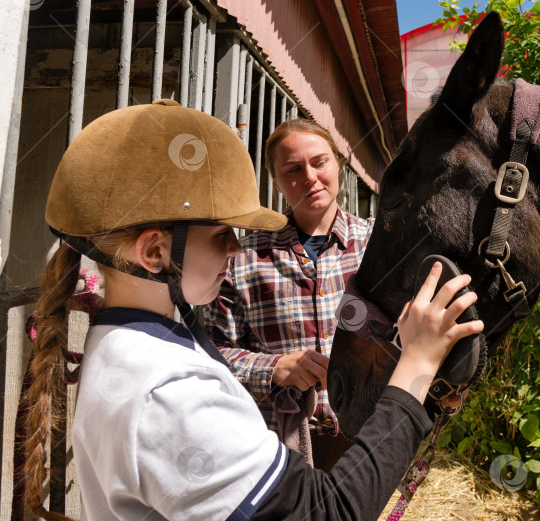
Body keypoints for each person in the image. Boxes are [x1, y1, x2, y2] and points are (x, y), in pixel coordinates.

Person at [24, 100, 483, 521]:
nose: (234, 248)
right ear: (155, 252)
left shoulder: (128, 345)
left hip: (343, 434)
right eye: (223, 232)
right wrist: (419, 367)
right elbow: (330, 515)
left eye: (320, 162)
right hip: (287, 439)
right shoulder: (170, 394)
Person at [204, 118, 371, 471]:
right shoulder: (243, 260)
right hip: (275, 446)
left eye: (319, 162)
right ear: (277, 181)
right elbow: (210, 355)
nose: (309, 177)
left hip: (363, 443)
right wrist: (273, 368)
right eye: (293, 169)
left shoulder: (376, 247)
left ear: (337, 163)